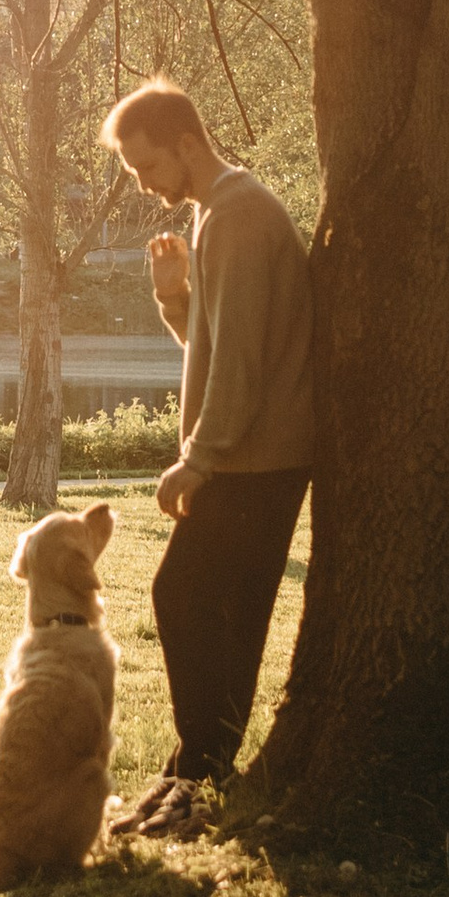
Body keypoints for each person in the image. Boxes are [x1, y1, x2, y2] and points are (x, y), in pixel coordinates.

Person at [98, 79, 312, 842]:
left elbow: (244, 366)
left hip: (258, 459)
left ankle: (199, 774)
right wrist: (175, 300)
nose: (144, 185)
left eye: (145, 165)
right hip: (250, 455)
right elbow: (215, 347)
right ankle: (195, 774)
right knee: (213, 608)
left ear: (186, 142)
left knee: (185, 596)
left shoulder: (239, 215)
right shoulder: (216, 215)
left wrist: (198, 458)